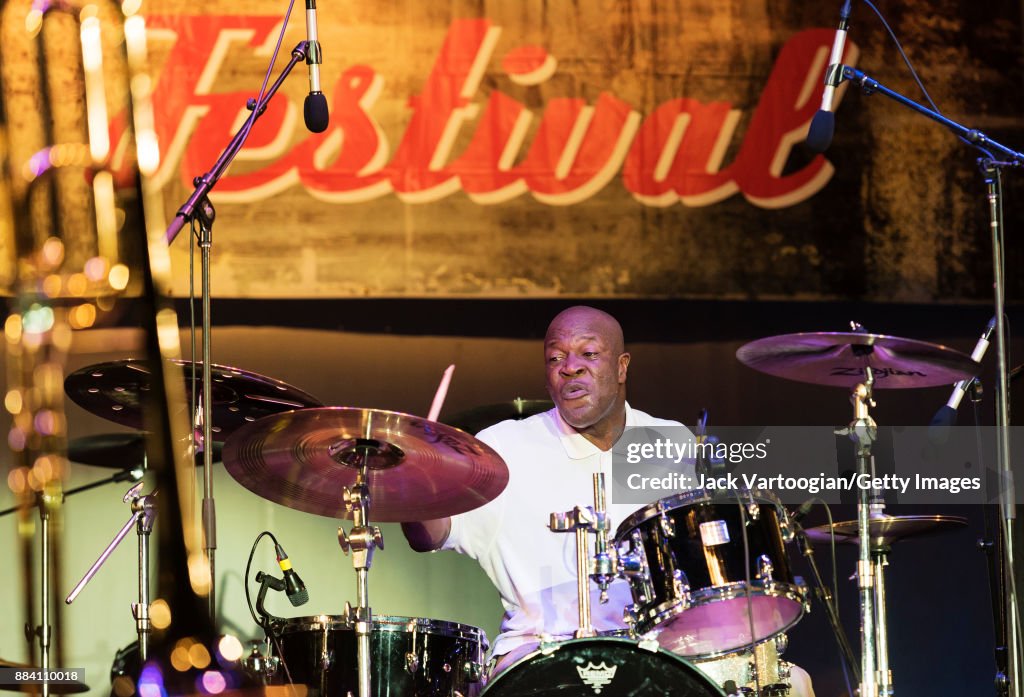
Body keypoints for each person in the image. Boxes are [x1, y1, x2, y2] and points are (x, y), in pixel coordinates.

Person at [402, 306, 815, 696]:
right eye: (555, 357)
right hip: (538, 656)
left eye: (589, 353)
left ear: (621, 367)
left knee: (791, 681)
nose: (570, 366)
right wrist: (412, 483)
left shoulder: (666, 441)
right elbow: (431, 535)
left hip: (652, 654)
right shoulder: (503, 447)